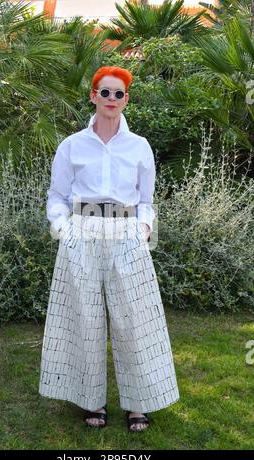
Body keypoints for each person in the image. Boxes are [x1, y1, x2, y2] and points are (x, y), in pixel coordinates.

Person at [39, 66, 180, 432]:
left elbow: (146, 200)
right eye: (106, 92)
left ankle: (139, 404)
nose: (112, 100)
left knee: (135, 320)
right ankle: (93, 402)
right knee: (84, 320)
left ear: (126, 99)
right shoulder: (72, 145)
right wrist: (62, 228)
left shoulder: (139, 146)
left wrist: (144, 229)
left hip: (126, 233)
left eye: (119, 94)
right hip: (81, 231)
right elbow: (56, 196)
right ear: (93, 96)